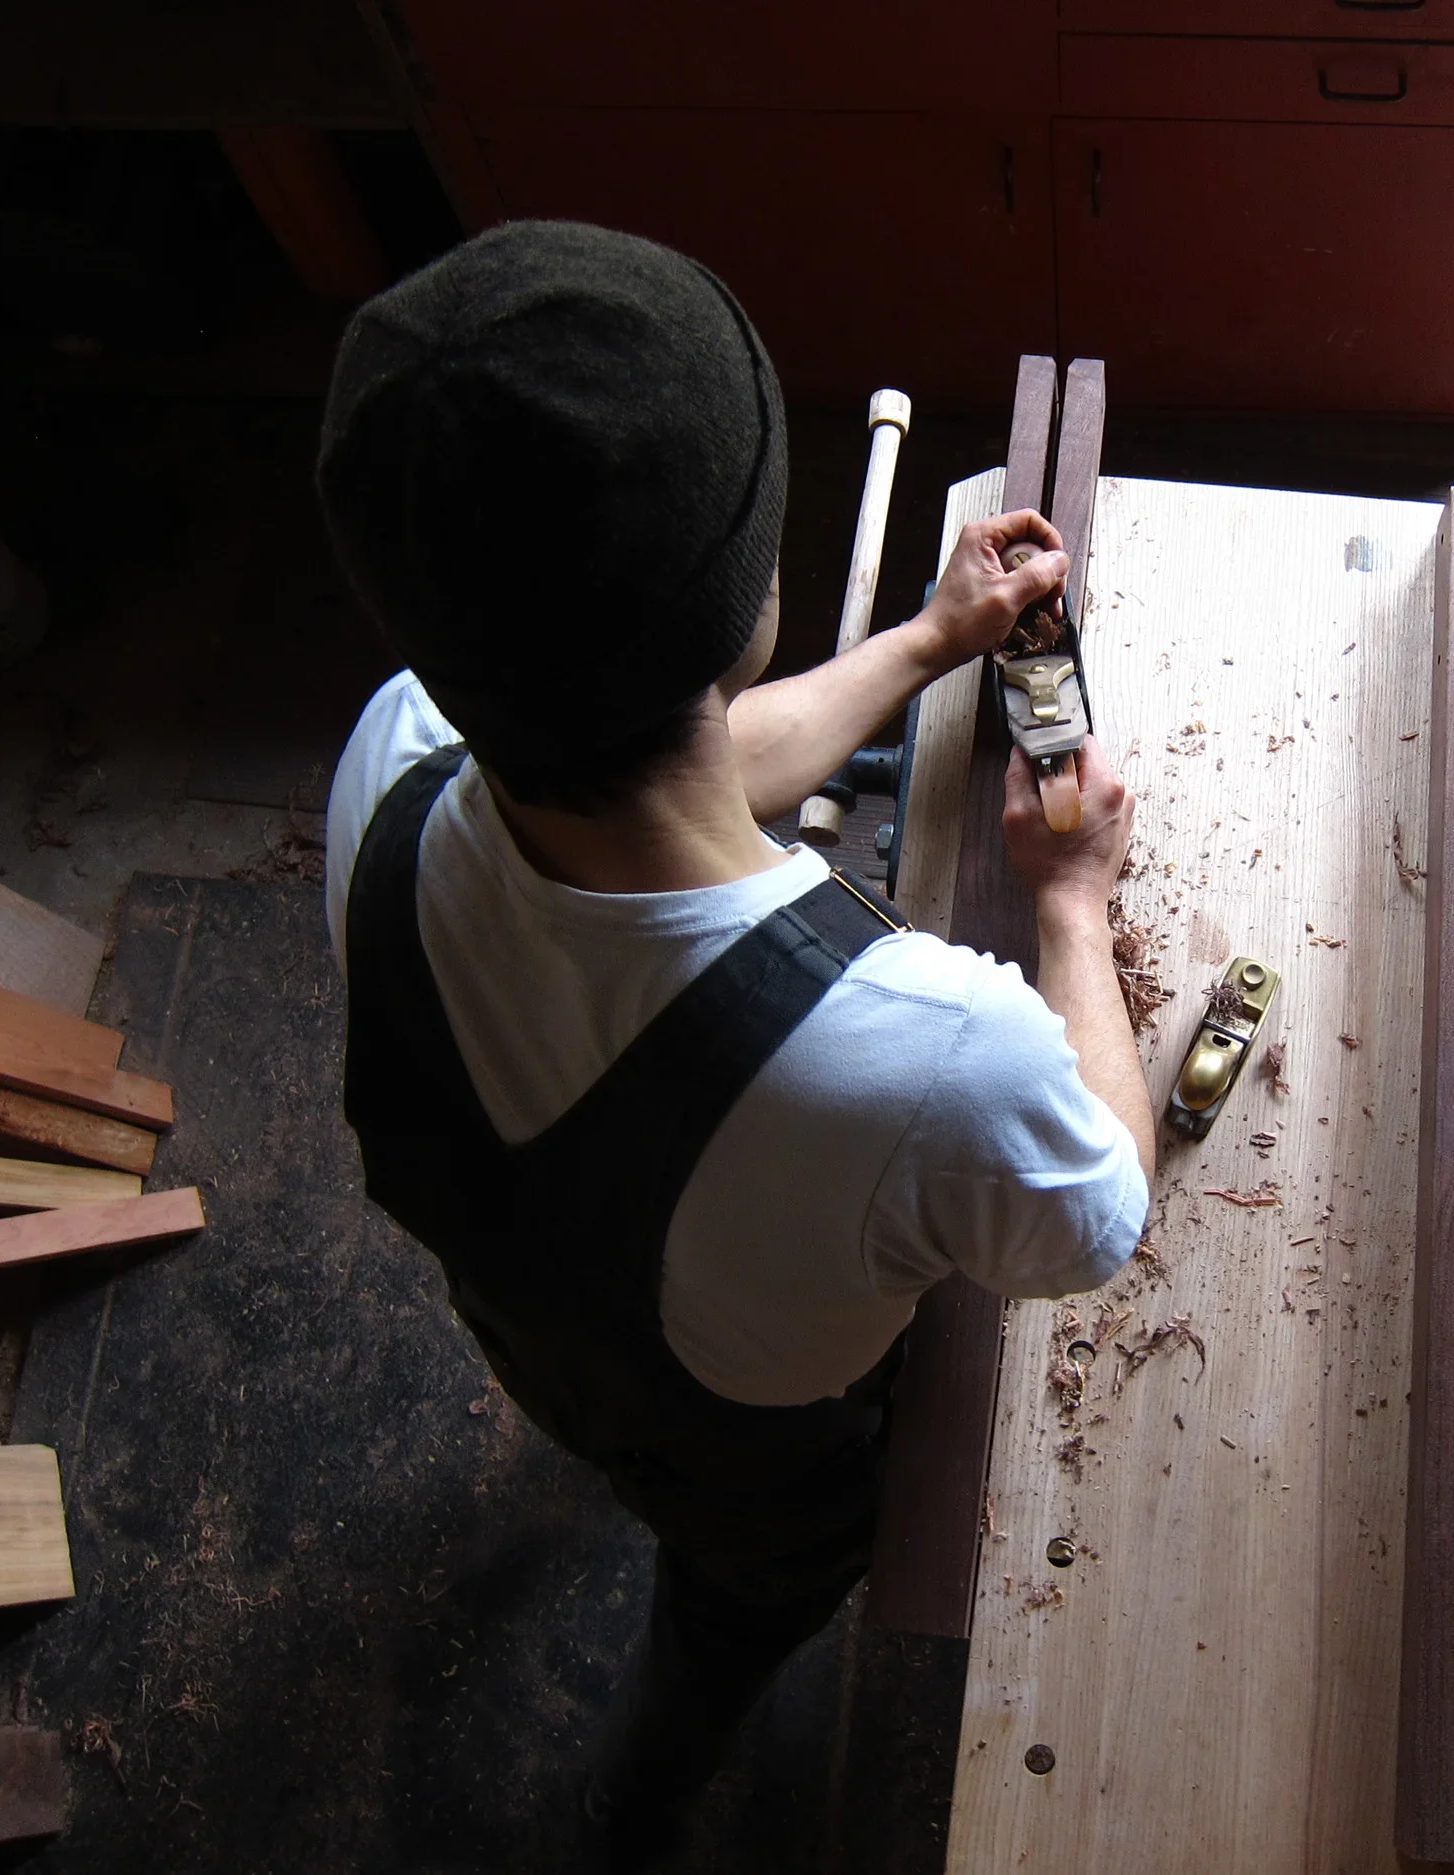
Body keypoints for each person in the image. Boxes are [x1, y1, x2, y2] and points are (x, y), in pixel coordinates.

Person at [313, 221, 1154, 1852]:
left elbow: (660, 764)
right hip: (753, 1470)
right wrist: (1068, 900)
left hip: (528, 1321)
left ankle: (641, 1767)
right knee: (731, 1607)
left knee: (614, 1403)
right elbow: (1102, 1209)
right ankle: (648, 1787)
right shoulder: (922, 1054)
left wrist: (923, 646)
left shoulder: (395, 750)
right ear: (747, 588)